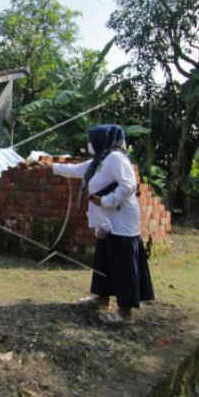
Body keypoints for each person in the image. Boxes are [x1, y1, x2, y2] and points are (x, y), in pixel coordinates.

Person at [44, 124, 154, 324]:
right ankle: (101, 299)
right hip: (105, 221)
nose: (89, 144)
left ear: (101, 141)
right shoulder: (99, 160)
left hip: (121, 220)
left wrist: (105, 201)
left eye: (91, 140)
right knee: (104, 259)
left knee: (122, 263)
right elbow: (76, 169)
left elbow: (129, 185)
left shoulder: (116, 159)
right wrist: (49, 166)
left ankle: (125, 312)